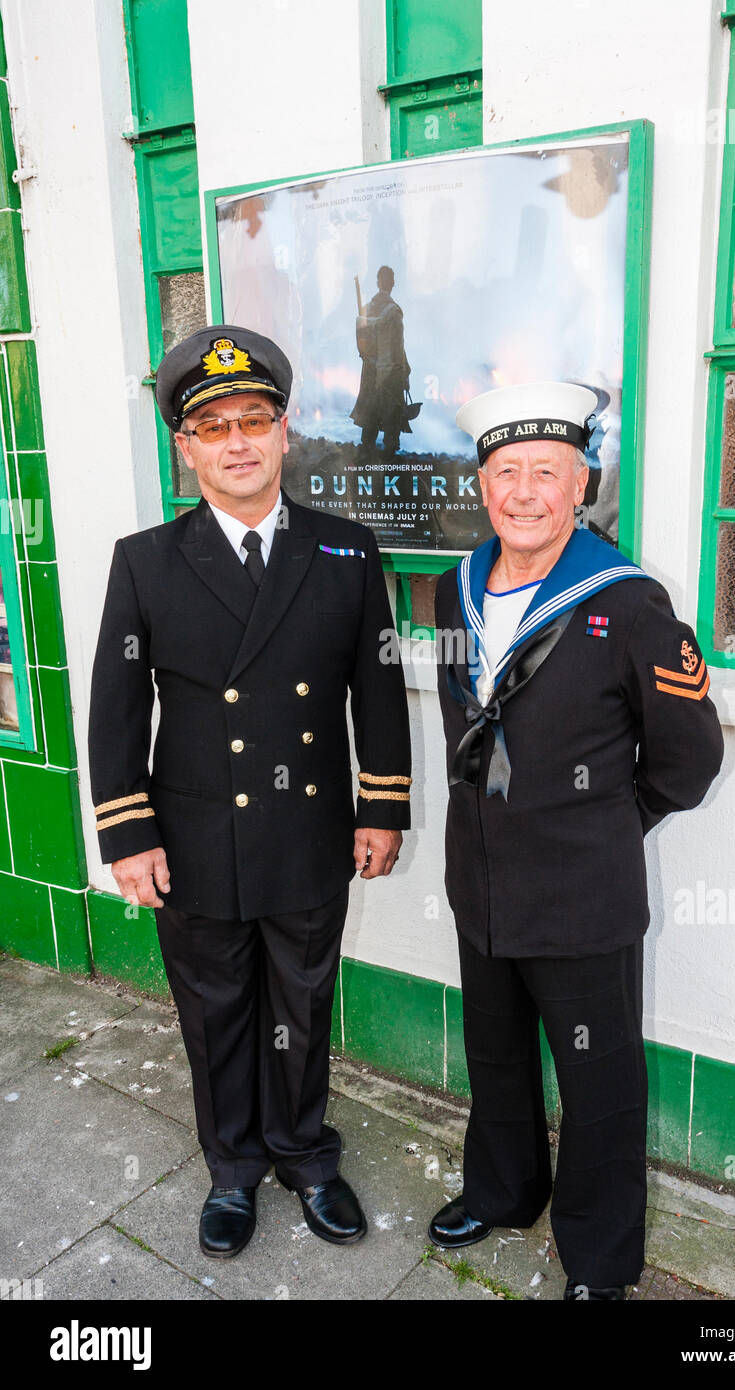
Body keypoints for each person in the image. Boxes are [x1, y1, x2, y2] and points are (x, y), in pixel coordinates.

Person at [88, 325, 411, 1259]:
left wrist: (381, 805)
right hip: (193, 834)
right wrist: (126, 832)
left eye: (255, 420)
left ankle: (305, 1153)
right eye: (214, 426)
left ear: (284, 431)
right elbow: (117, 705)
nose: (238, 441)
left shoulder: (346, 552)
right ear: (185, 447)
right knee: (216, 1006)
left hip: (307, 829)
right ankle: (232, 1167)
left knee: (303, 1003)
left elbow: (377, 689)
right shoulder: (144, 559)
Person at [427, 381, 724, 1300]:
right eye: (506, 471)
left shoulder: (630, 602)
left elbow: (689, 757)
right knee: (497, 1053)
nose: (525, 492)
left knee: (598, 1084)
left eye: (546, 473)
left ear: (581, 481)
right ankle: (504, 1189)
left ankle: (598, 1261)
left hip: (584, 899)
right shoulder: (452, 589)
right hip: (480, 882)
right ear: (482, 483)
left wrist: (608, 824)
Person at [350, 265, 411, 457]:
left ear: (378, 283)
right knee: (391, 412)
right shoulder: (394, 311)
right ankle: (389, 451)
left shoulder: (367, 308)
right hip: (391, 370)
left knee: (371, 410)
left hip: (370, 367)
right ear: (392, 283)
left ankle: (367, 447)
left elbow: (362, 342)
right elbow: (398, 346)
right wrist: (404, 372)